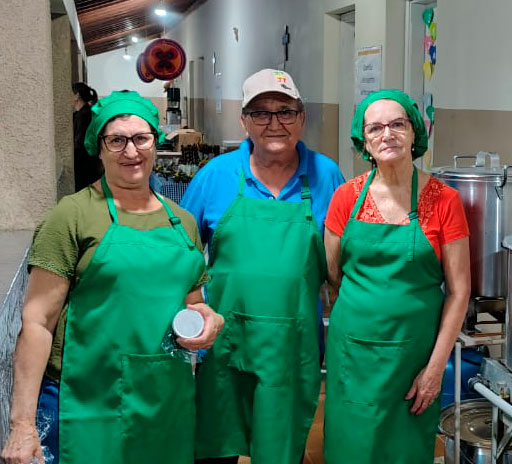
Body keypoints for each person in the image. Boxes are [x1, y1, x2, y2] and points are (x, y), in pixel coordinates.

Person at [1, 90, 224, 464]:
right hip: (86, 400)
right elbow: (37, 322)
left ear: (155, 142)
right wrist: (21, 424)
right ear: (99, 148)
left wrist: (209, 320)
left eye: (141, 138)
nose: (131, 151)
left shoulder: (183, 222)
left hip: (163, 400)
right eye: (117, 140)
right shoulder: (72, 216)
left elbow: (193, 304)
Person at [180, 68, 344, 464]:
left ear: (302, 118)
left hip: (293, 348)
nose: (274, 124)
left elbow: (343, 269)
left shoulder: (326, 175)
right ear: (244, 121)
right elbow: (181, 254)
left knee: (281, 451)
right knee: (214, 448)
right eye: (261, 113)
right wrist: (190, 311)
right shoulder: (215, 175)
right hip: (224, 346)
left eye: (285, 112)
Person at [323, 89, 470, 464]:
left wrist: (435, 369)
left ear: (414, 132)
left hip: (414, 355)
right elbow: (333, 273)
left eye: (397, 124)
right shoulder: (345, 197)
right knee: (351, 447)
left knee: (405, 450)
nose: (386, 134)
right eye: (375, 128)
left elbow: (459, 291)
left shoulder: (444, 200)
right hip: (353, 353)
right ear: (364, 141)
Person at [72, 82, 103, 191]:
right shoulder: (84, 113)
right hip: (89, 167)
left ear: (77, 96)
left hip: (85, 167)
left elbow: (80, 143)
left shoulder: (83, 116)